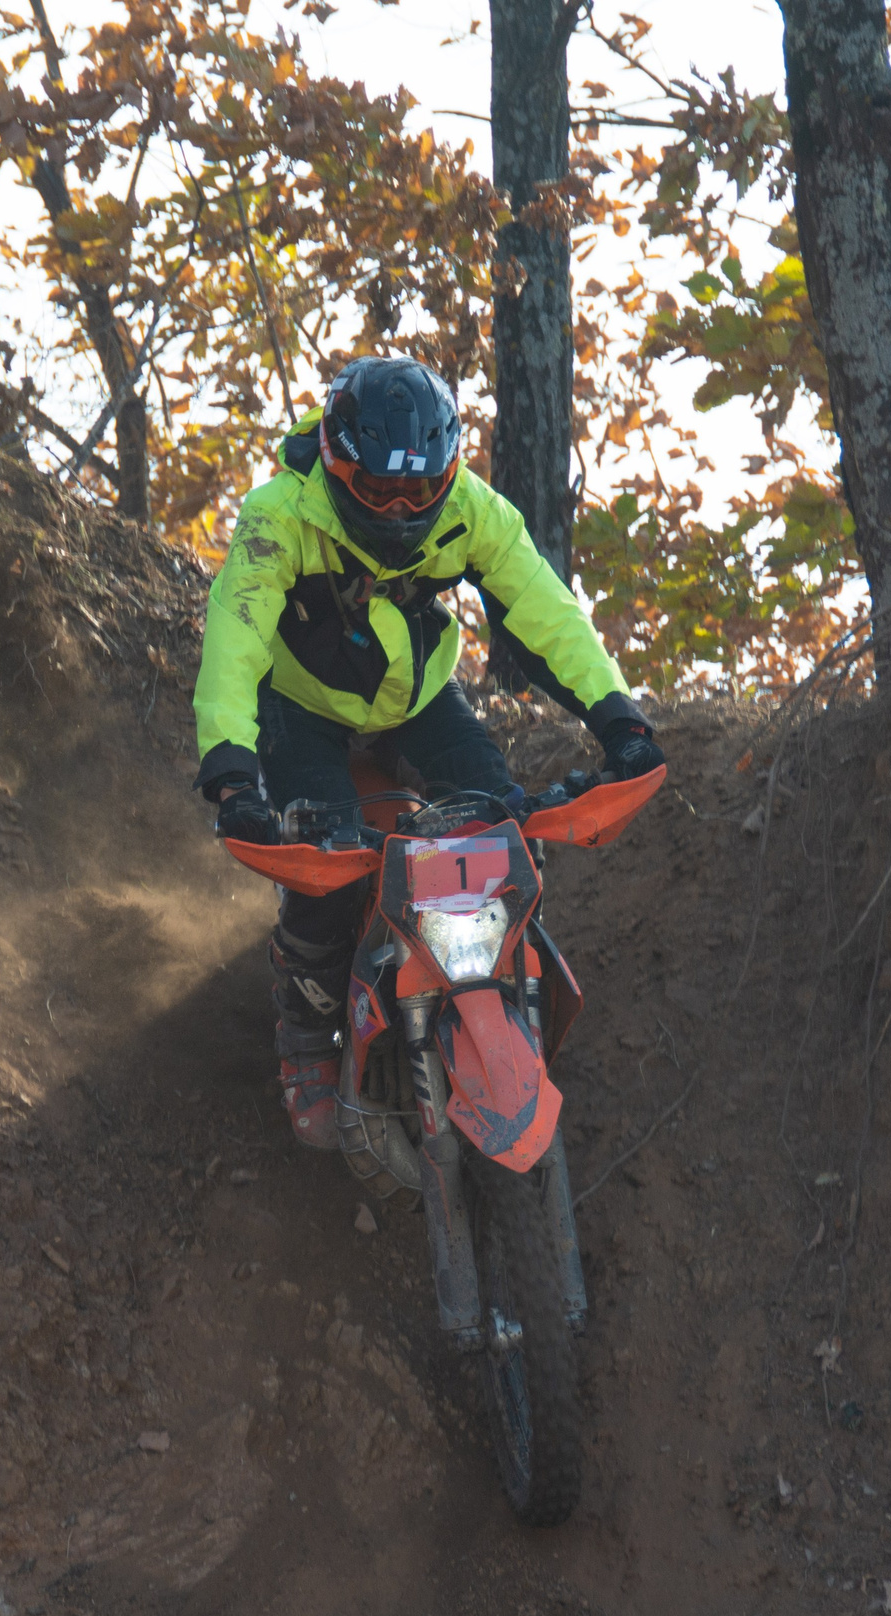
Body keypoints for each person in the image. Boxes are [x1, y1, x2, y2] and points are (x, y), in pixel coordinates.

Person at [191, 354, 664, 1150]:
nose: (402, 507)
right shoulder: (280, 514)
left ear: (449, 474)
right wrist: (233, 774)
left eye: (421, 490)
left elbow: (547, 614)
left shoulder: (474, 511)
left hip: (418, 700)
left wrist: (620, 719)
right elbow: (235, 642)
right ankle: (306, 1039)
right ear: (339, 468)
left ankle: (503, 989)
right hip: (301, 708)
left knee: (502, 826)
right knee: (326, 873)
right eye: (379, 491)